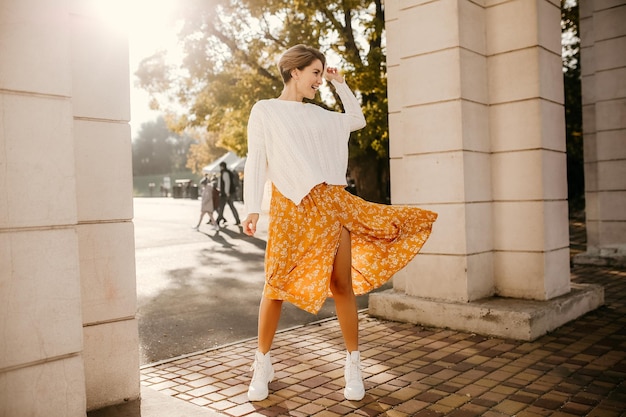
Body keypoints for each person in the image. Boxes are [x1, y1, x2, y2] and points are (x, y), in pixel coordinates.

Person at [241, 44, 437, 402]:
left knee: (341, 285)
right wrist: (252, 207)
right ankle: (262, 364)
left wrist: (340, 84)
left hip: (330, 205)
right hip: (290, 207)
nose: (319, 79)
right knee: (275, 287)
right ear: (294, 71)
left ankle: (353, 363)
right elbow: (257, 158)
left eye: (322, 72)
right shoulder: (265, 110)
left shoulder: (320, 115)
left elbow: (357, 120)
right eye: (315, 72)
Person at [216, 162, 241, 226]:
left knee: (221, 207)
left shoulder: (225, 173)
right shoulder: (227, 172)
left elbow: (227, 183)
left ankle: (218, 220)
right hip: (228, 193)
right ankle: (237, 220)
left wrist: (227, 192)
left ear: (222, 166)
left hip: (225, 194)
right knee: (231, 206)